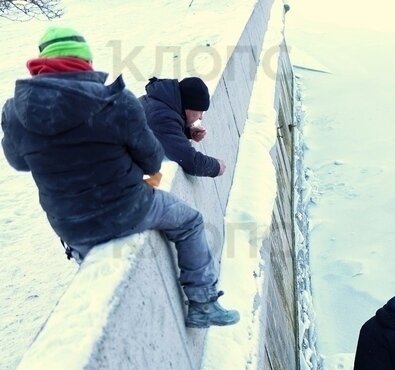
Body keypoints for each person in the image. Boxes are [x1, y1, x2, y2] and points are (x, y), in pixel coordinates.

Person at [1, 27, 239, 328]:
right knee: (190, 221)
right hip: (128, 209)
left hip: (71, 227)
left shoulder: (14, 111)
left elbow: (18, 162)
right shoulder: (114, 100)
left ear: (41, 63)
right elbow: (152, 159)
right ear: (84, 63)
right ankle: (203, 304)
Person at [139, 76, 225, 177]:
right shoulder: (162, 117)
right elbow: (189, 160)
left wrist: (187, 132)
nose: (200, 117)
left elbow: (161, 133)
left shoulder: (158, 102)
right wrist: (217, 167)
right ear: (188, 107)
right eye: (199, 111)